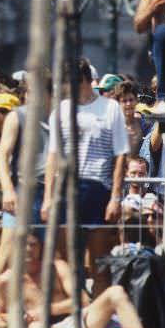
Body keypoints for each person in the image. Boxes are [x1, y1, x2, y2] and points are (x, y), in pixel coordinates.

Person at [42, 58, 129, 297]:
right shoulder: (60, 111)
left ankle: (96, 320)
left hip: (98, 189)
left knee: (100, 263)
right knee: (66, 263)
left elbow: (120, 155)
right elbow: (52, 157)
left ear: (82, 79)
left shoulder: (111, 108)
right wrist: (49, 198)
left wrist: (115, 197)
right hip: (66, 188)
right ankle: (71, 316)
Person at [0, 232, 151, 328]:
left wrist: (45, 310)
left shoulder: (57, 267)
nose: (28, 250)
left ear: (40, 246)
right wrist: (20, 317)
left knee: (116, 292)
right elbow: (3, 314)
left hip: (76, 321)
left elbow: (84, 301)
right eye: (23, 245)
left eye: (33, 244)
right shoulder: (6, 280)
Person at [0, 75, 51, 312]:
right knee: (5, 256)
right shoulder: (17, 116)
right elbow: (2, 156)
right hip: (20, 192)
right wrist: (8, 190)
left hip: (48, 194)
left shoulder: (57, 116)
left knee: (47, 258)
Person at [113, 81, 150, 157]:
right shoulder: (112, 125)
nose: (128, 104)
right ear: (118, 103)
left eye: (131, 100)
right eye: (124, 101)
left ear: (136, 100)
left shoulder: (144, 124)